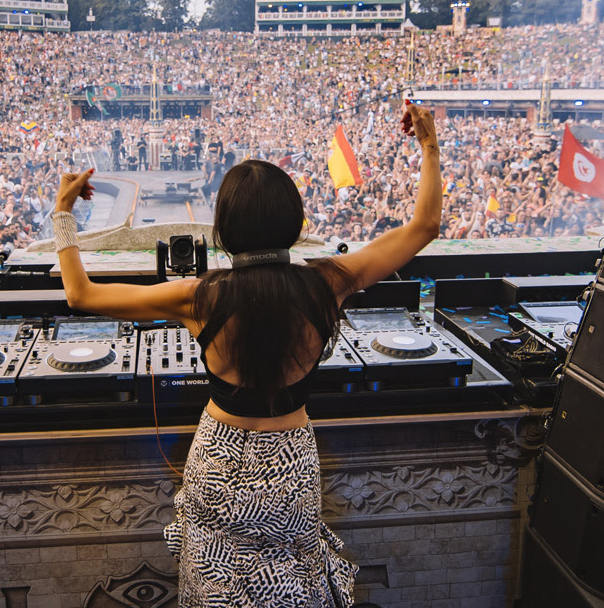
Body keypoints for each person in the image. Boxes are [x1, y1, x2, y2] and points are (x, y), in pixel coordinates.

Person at [52, 102, 441, 605]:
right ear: (294, 221)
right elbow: (424, 227)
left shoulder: (200, 296)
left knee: (217, 590)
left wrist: (64, 212)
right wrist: (428, 145)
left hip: (218, 461)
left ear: (226, 227)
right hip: (289, 463)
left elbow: (82, 294)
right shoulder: (328, 283)